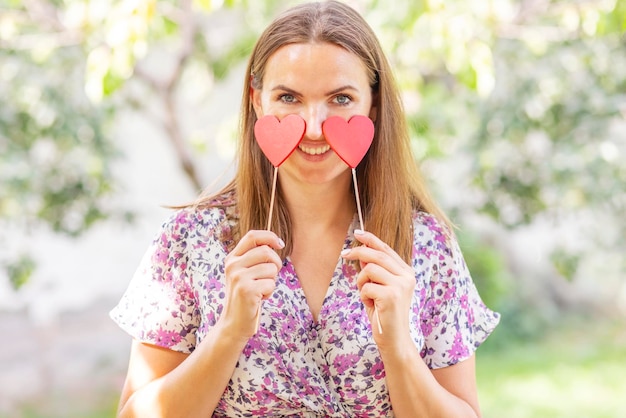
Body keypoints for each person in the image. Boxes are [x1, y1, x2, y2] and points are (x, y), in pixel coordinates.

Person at [110, 1, 500, 416]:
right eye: (289, 97)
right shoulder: (189, 239)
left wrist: (398, 348)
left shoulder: (427, 244)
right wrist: (228, 332)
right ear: (257, 101)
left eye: (341, 98)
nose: (314, 127)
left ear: (372, 104)